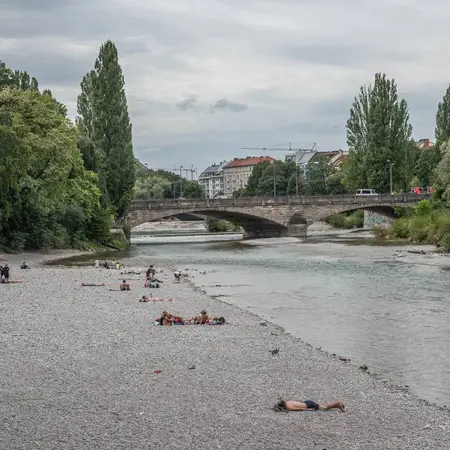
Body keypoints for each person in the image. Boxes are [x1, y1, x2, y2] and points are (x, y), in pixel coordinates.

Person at [274, 399, 345, 412]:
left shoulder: (288, 407)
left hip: (308, 405)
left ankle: (338, 402)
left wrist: (307, 410)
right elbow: (298, 402)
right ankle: (338, 406)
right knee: (324, 407)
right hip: (307, 402)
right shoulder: (288, 401)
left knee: (325, 408)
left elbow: (299, 409)